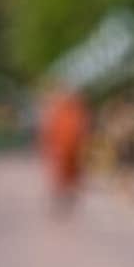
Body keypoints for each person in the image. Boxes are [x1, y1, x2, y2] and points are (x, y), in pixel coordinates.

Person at [38, 83, 92, 212]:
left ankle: (67, 197)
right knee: (60, 175)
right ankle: (61, 198)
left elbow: (82, 128)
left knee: (70, 175)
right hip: (62, 148)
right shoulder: (59, 110)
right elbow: (49, 131)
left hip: (71, 149)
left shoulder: (74, 111)